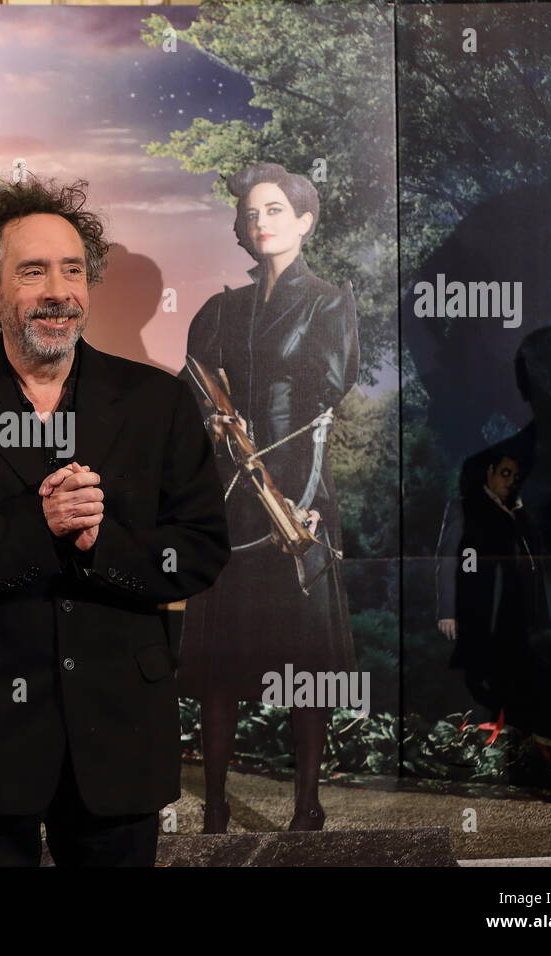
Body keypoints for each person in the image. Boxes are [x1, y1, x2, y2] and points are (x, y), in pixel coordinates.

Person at [0, 175, 230, 866]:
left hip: (120, 741)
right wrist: (34, 526)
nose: (57, 290)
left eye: (73, 271)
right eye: (32, 271)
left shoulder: (158, 402)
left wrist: (105, 544)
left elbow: (199, 552)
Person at [176, 162, 359, 833]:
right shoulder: (219, 310)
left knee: (306, 656)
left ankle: (307, 803)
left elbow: (327, 396)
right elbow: (192, 393)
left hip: (300, 489)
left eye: (276, 210)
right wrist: (219, 428)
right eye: (252, 214)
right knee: (223, 661)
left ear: (305, 220)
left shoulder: (330, 301)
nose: (262, 223)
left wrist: (301, 494)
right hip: (230, 491)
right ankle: (217, 806)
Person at [435, 455, 549, 745]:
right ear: (490, 472)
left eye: (515, 476)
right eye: (505, 473)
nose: (510, 481)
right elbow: (447, 560)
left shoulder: (518, 513)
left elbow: (534, 560)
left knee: (514, 679)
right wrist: (447, 610)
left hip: (516, 615)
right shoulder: (463, 507)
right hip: (479, 611)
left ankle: (512, 737)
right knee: (477, 679)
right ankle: (473, 742)